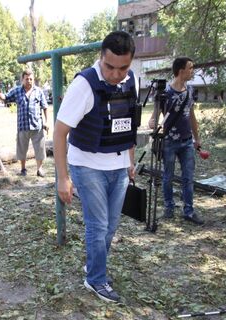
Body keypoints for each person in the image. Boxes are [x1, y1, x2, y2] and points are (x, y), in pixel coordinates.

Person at [54, 31, 138, 303]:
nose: (116, 74)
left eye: (123, 67)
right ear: (101, 57)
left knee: (111, 227)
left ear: (131, 62)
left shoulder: (132, 80)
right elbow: (59, 132)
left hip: (118, 165)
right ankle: (96, 280)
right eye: (109, 66)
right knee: (98, 226)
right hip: (87, 165)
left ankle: (94, 267)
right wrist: (63, 178)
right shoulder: (84, 85)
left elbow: (128, 125)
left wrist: (130, 161)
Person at [148, 57, 204, 224]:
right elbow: (153, 119)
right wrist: (154, 124)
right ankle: (169, 208)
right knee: (168, 176)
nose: (192, 71)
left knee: (188, 177)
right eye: (190, 68)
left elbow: (192, 116)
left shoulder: (190, 91)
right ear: (181, 70)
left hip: (187, 141)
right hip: (169, 142)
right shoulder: (165, 93)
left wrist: (197, 138)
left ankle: (189, 211)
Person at [0, 70, 49, 177]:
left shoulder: (38, 91)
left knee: (39, 149)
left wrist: (46, 122)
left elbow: (44, 107)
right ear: (22, 79)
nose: (29, 81)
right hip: (23, 126)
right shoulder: (17, 91)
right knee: (22, 149)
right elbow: (6, 98)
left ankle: (39, 169)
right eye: (27, 79)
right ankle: (23, 169)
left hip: (37, 126)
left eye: (31, 79)